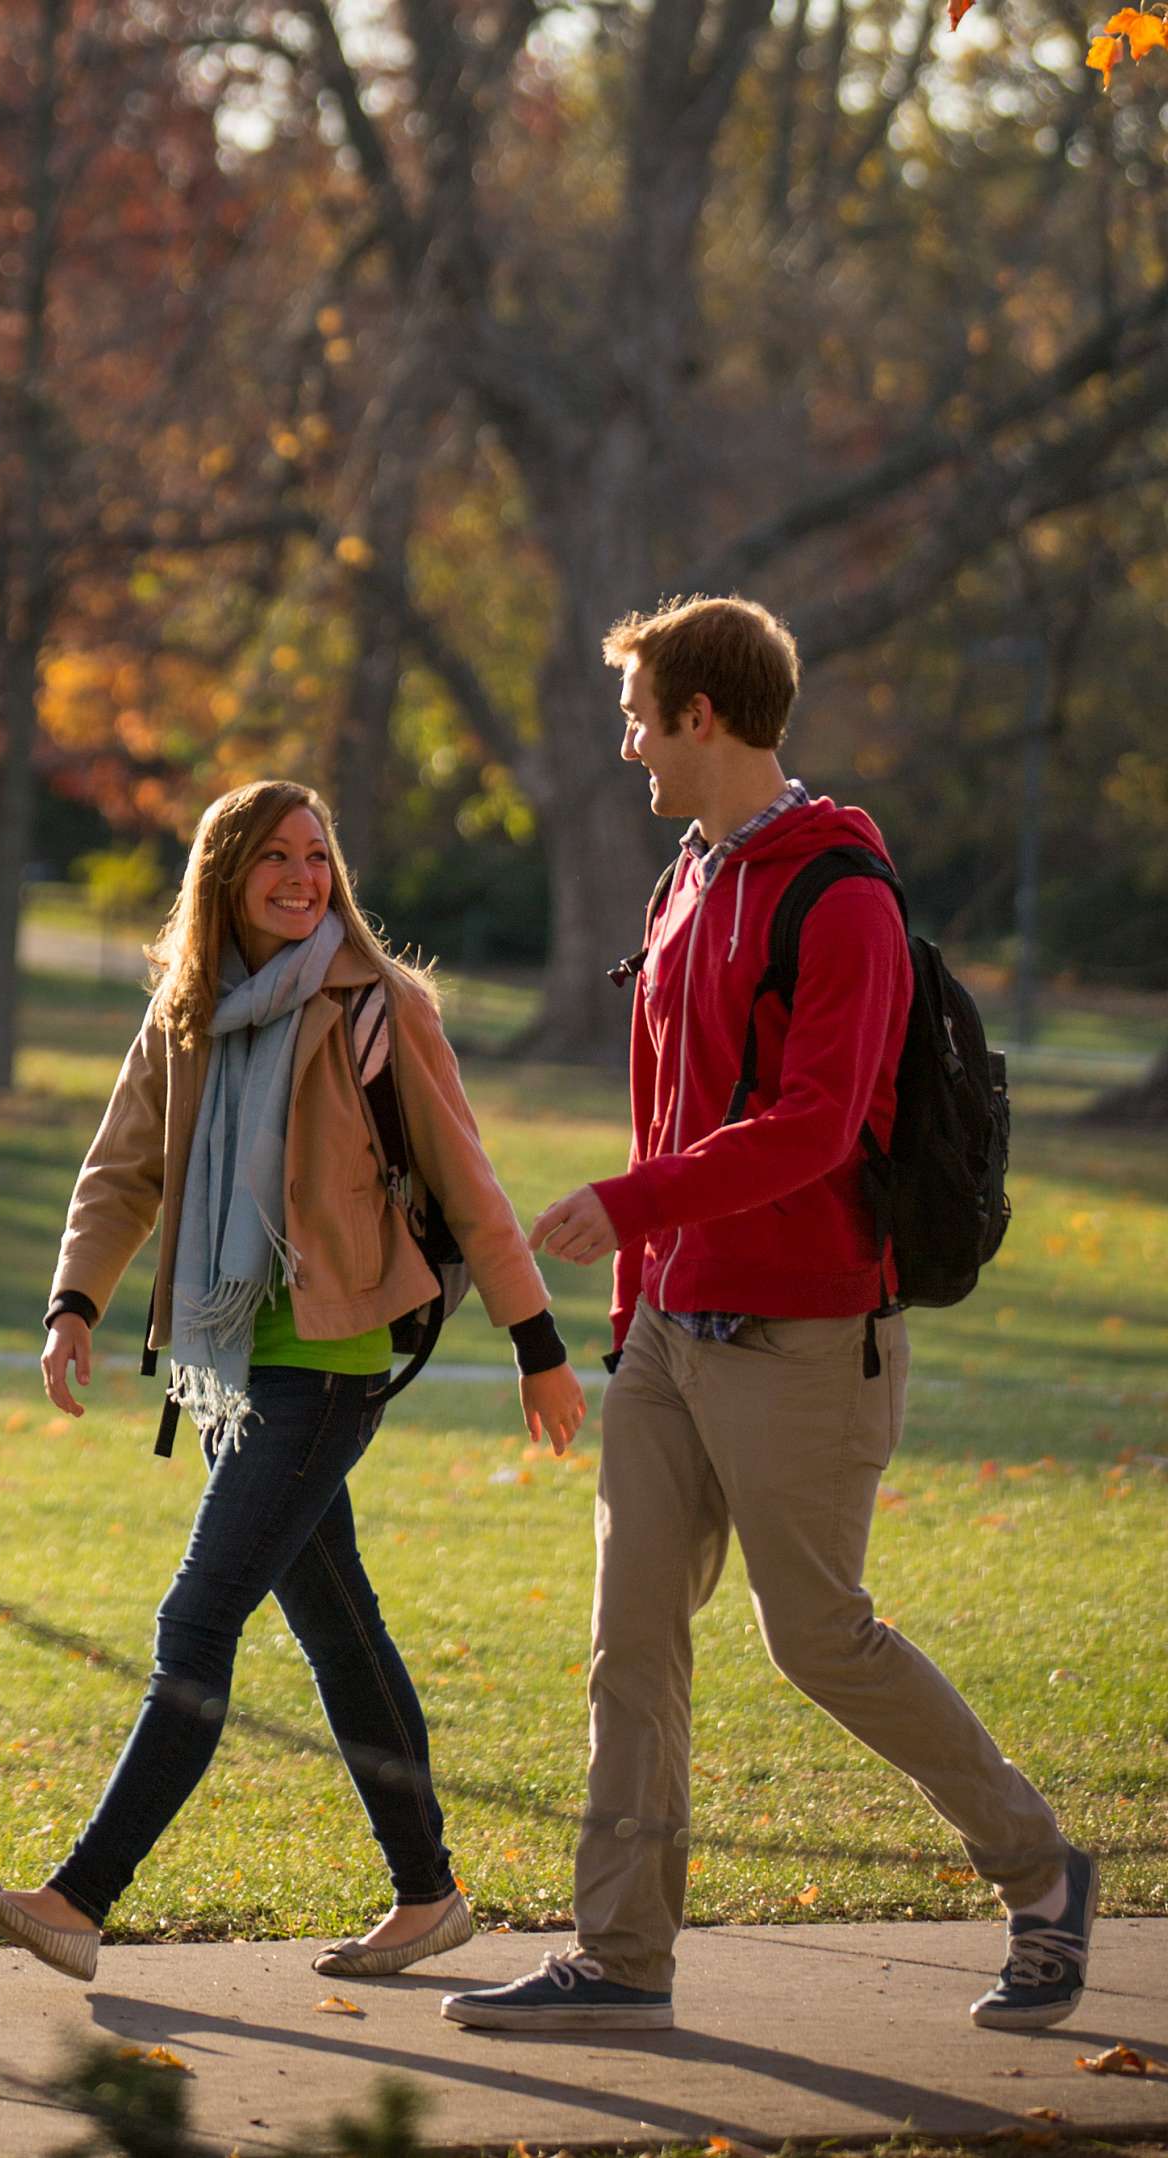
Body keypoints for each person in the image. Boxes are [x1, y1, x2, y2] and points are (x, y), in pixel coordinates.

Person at [444, 595, 1092, 2037]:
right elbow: (673, 1091)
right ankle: (620, 1957)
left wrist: (634, 1202)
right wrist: (637, 1292)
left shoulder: (840, 895)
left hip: (804, 1333)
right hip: (672, 1332)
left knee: (820, 1636)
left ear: (702, 716)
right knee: (632, 1646)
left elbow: (817, 1127)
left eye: (638, 717)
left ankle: (1043, 1874)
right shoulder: (690, 876)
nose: (627, 746)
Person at [0, 778, 587, 1985]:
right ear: (224, 878)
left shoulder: (378, 1007)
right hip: (233, 1363)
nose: (304, 880)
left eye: (318, 858)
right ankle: (431, 1892)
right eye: (276, 861)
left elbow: (470, 1185)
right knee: (341, 1629)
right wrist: (73, 1302)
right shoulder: (189, 1013)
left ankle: (80, 1899)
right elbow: (122, 1169)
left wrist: (537, 1346)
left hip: (334, 1364)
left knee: (195, 1620)